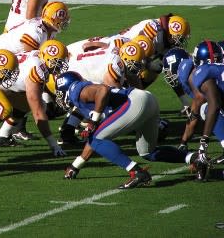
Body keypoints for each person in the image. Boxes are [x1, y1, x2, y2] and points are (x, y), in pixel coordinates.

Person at [55, 71, 207, 187]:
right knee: (147, 152)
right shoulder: (82, 98)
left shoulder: (76, 90)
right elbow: (93, 140)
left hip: (134, 101)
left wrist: (94, 121)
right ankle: (195, 159)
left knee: (97, 137)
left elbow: (103, 90)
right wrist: (75, 166)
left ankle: (137, 172)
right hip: (146, 101)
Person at [0, 40, 68, 156]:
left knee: (25, 105)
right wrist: (54, 145)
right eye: (57, 62)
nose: (61, 65)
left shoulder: (38, 57)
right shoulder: (37, 71)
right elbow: (38, 114)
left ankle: (2, 137)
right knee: (5, 110)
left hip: (6, 84)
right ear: (46, 59)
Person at [162, 41, 224, 174]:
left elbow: (200, 100)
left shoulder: (195, 72)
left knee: (206, 109)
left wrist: (190, 142)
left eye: (169, 71)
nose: (169, 75)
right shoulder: (201, 67)